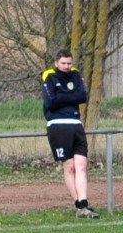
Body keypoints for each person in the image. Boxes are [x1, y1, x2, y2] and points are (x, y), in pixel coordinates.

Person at [41, 53, 95, 219]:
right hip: (57, 125)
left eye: (69, 63)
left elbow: (82, 97)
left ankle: (83, 204)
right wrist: (70, 98)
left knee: (81, 165)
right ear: (56, 63)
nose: (66, 66)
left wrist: (61, 96)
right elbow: (50, 102)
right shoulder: (48, 76)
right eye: (63, 63)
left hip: (75, 124)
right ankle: (79, 204)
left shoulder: (76, 74)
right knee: (70, 166)